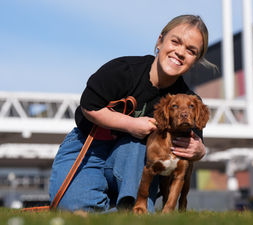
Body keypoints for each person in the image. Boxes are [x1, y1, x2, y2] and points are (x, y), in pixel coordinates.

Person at [49, 14, 212, 213]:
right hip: (88, 144)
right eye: (175, 42)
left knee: (137, 146)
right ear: (160, 41)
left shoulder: (188, 99)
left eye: (190, 50)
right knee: (73, 209)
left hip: (133, 158)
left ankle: (131, 206)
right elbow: (89, 106)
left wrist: (200, 150)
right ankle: (114, 206)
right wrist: (132, 125)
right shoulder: (124, 70)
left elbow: (196, 140)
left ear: (195, 60)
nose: (179, 52)